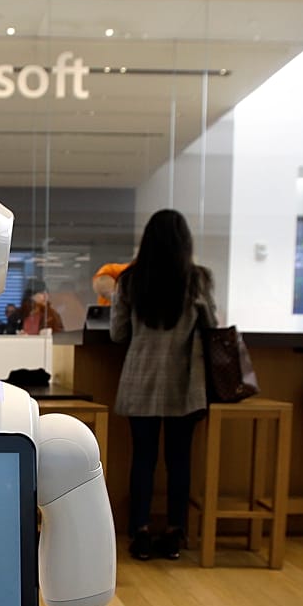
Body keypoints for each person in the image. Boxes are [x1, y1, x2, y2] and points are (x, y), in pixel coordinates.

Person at [111, 209, 217, 561]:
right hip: (184, 383)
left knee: (142, 459)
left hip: (140, 379)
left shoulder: (129, 280)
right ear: (185, 242)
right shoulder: (198, 279)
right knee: (179, 460)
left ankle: (139, 532)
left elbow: (117, 333)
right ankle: (175, 532)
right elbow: (213, 326)